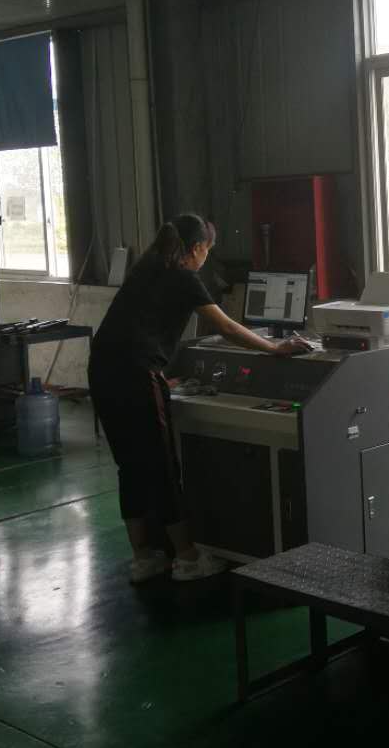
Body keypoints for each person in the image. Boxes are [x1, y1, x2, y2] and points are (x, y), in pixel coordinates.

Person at [89, 213, 311, 584]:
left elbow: (136, 327)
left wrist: (161, 376)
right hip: (137, 373)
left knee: (130, 464)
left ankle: (144, 557)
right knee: (162, 466)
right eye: (207, 250)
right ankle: (188, 558)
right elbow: (226, 327)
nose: (206, 257)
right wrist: (274, 348)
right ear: (195, 248)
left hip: (102, 370)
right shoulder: (182, 276)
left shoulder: (146, 269)